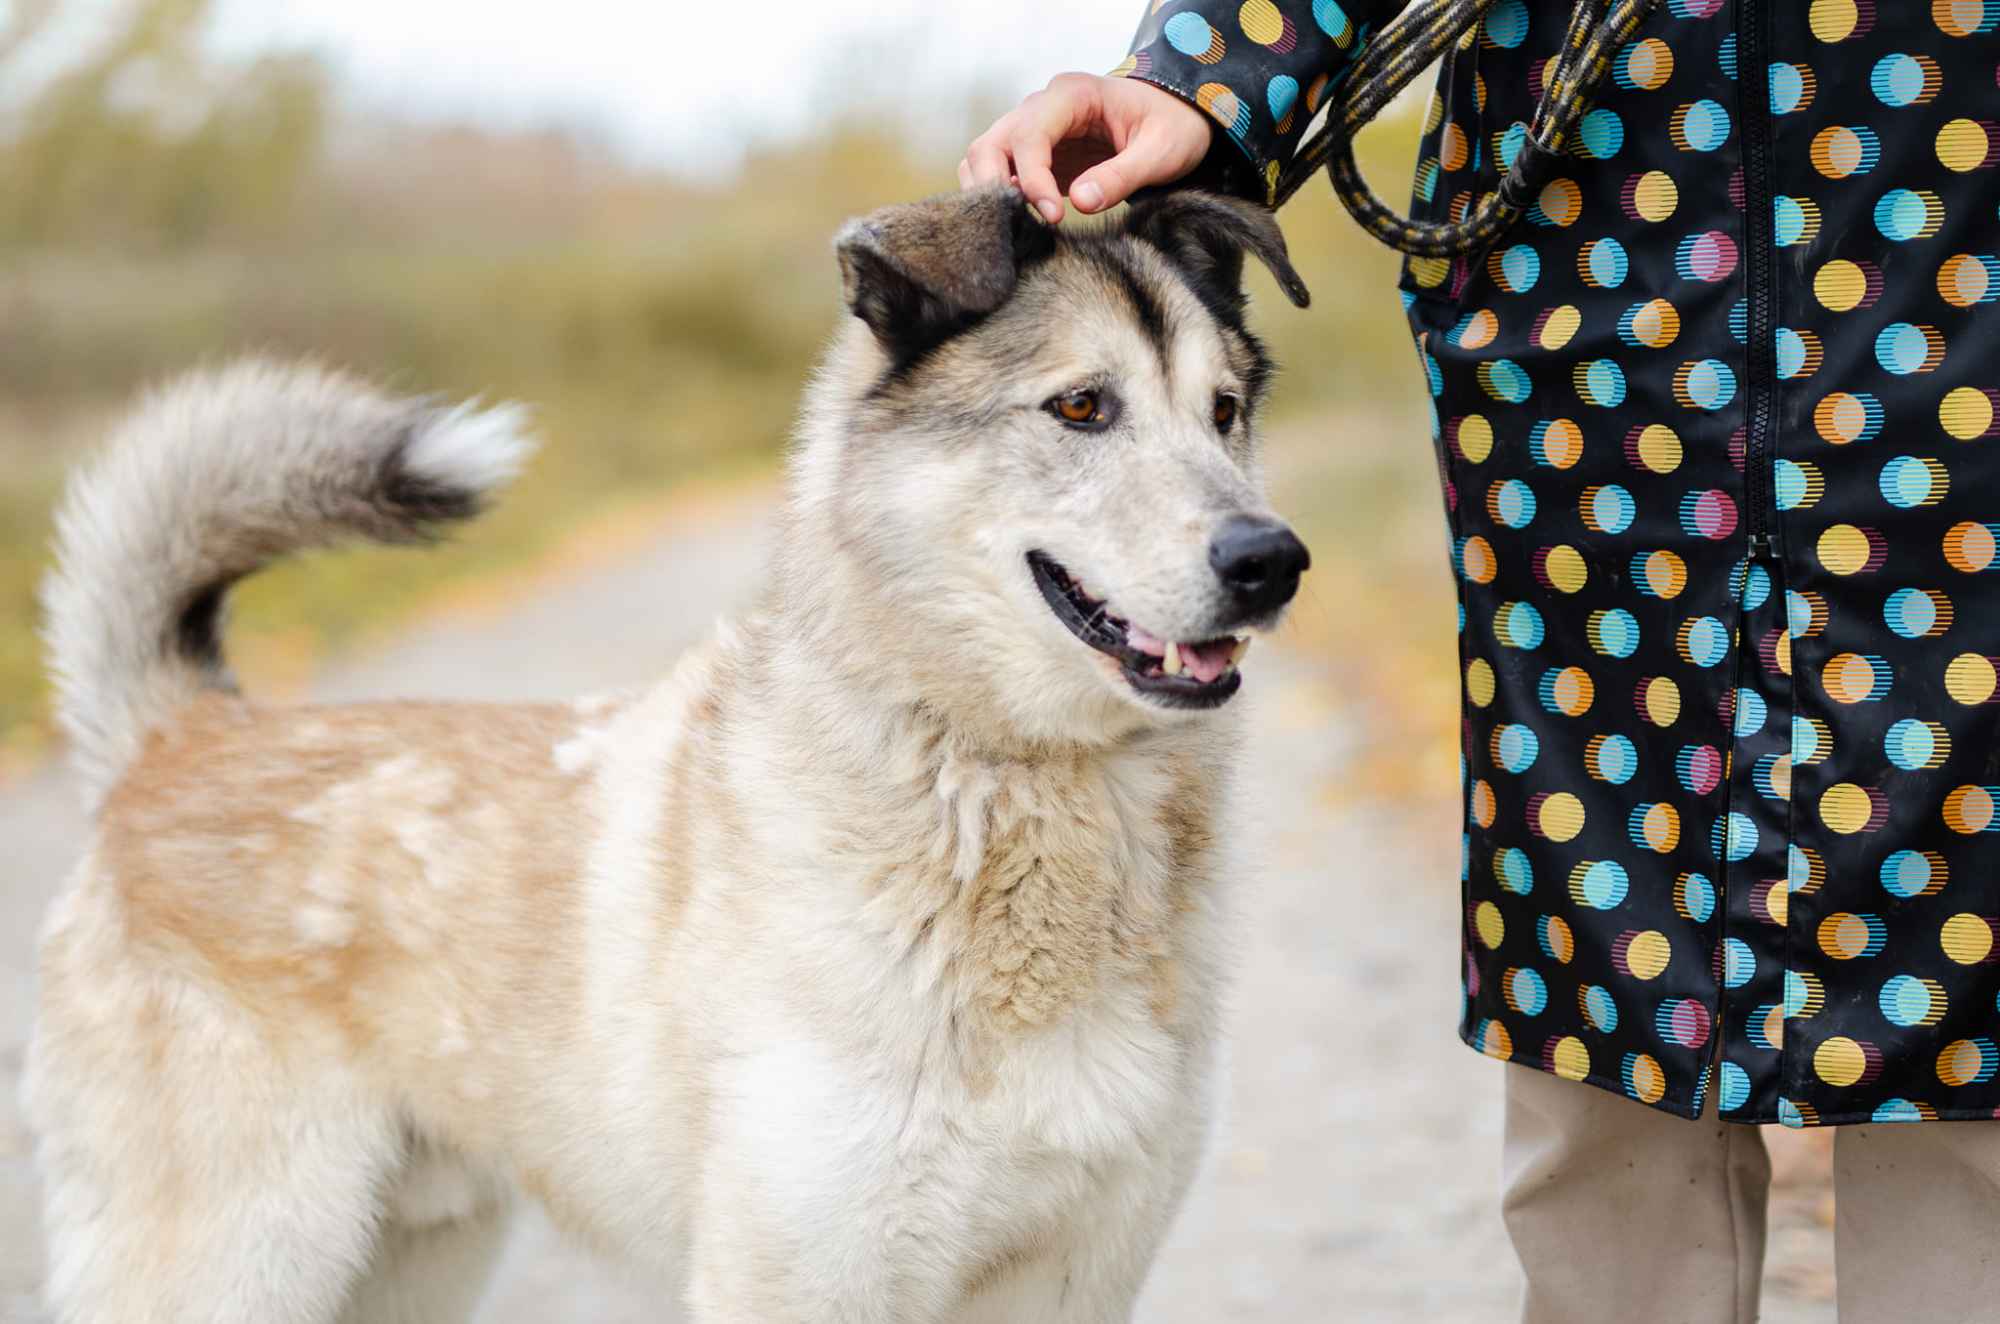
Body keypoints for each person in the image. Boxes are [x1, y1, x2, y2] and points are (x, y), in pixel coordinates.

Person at [965, 3, 2000, 1321]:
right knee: (1614, 960)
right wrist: (1208, 70)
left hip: (1953, 231)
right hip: (1604, 263)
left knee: (1974, 985)